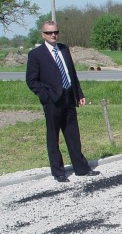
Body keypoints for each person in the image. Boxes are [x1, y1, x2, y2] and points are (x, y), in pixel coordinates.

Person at [26, 20, 100, 183]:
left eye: (55, 32)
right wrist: (46, 96)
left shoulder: (64, 50)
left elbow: (71, 74)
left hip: (68, 97)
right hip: (52, 101)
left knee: (73, 134)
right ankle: (58, 172)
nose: (53, 35)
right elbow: (32, 81)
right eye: (49, 33)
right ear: (43, 35)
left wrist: (78, 93)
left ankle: (81, 168)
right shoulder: (36, 54)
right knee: (53, 137)